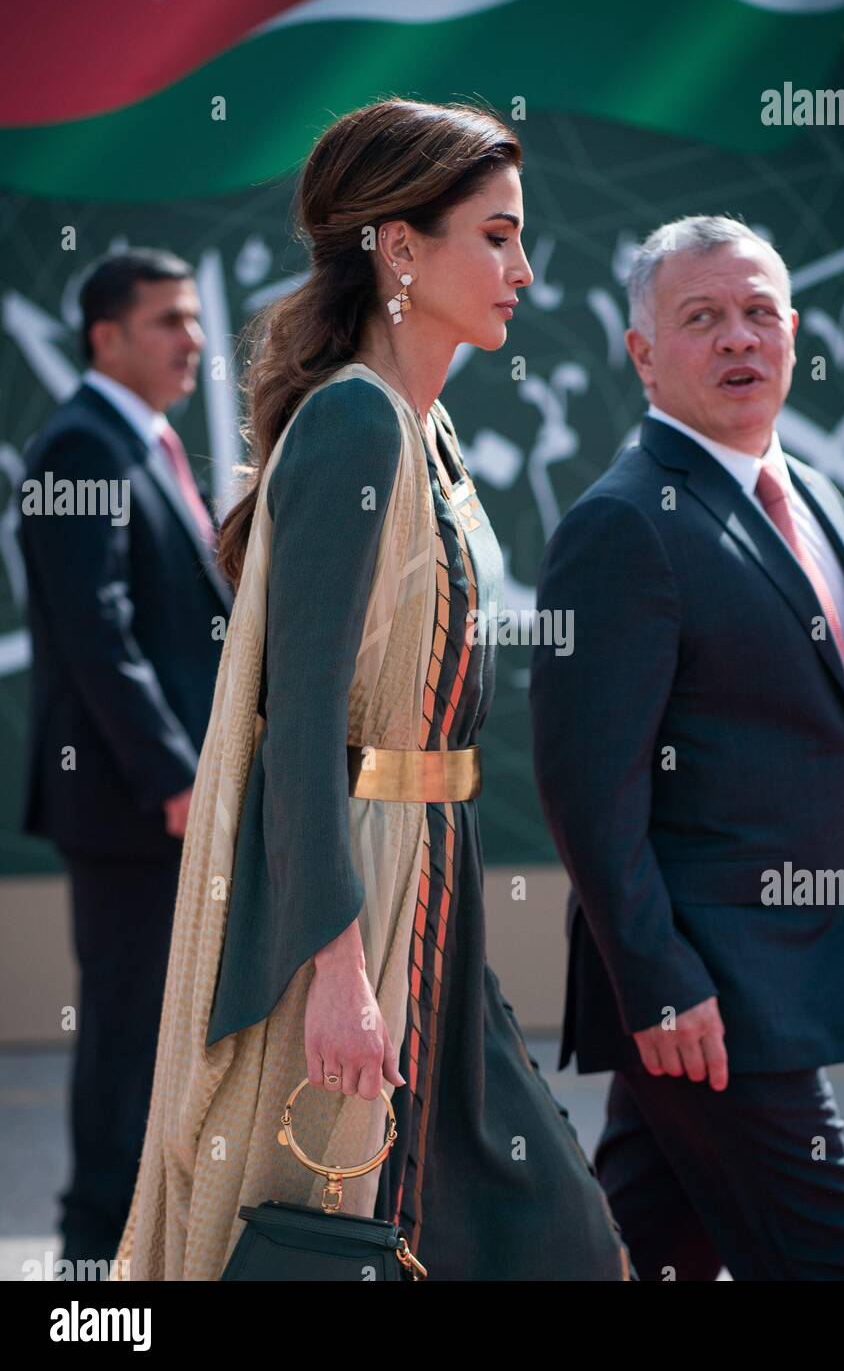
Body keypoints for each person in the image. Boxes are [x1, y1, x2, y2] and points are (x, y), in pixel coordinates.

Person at [110, 98, 631, 1282]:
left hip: (434, 885)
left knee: (537, 1234)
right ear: (399, 247)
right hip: (359, 903)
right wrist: (338, 971)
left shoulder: (422, 426)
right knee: (351, 1237)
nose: (522, 266)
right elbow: (295, 727)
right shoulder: (354, 420)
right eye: (492, 236)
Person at [528, 214, 844, 1281]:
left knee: (643, 1255)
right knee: (832, 1260)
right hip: (714, 997)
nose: (737, 340)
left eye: (759, 313)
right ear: (640, 355)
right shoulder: (624, 524)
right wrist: (660, 979)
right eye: (701, 318)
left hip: (761, 986)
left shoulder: (800, 493)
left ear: (794, 332)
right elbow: (588, 791)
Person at [19, 248, 232, 1264]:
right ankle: (91, 1276)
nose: (193, 339)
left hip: (165, 809)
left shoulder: (141, 443)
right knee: (124, 1043)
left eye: (195, 319)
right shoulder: (80, 449)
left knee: (161, 1044)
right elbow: (97, 633)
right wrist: (176, 778)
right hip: (134, 812)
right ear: (105, 337)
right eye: (168, 321)